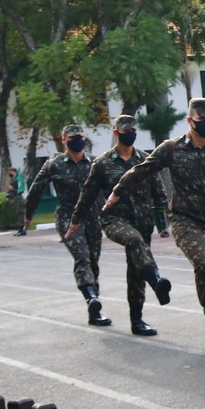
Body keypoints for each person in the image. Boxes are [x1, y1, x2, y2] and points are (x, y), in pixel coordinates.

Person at [104, 98, 205, 354]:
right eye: (202, 121)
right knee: (203, 264)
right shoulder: (172, 149)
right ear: (190, 121)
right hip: (185, 220)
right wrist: (117, 190)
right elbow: (143, 169)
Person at [68, 114, 173, 337]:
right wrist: (76, 220)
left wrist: (162, 223)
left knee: (136, 271)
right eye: (126, 133)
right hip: (114, 220)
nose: (130, 136)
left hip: (142, 221)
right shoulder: (103, 163)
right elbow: (87, 195)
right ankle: (156, 280)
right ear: (116, 133)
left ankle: (137, 320)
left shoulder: (145, 160)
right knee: (134, 241)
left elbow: (159, 193)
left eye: (133, 132)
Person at [25, 126, 110, 326]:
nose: (77, 140)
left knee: (93, 261)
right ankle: (91, 297)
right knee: (82, 257)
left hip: (93, 219)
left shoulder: (95, 163)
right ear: (64, 140)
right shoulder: (54, 165)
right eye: (73, 138)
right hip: (68, 219)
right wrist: (28, 216)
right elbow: (36, 190)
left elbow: (110, 187)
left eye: (80, 137)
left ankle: (94, 310)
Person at [6, 166, 27, 236]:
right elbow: (10, 190)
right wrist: (8, 196)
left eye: (10, 172)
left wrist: (12, 189)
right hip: (15, 198)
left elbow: (18, 190)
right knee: (18, 214)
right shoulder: (13, 179)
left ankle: (23, 230)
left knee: (20, 214)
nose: (9, 173)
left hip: (18, 198)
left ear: (13, 171)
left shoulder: (17, 179)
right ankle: (20, 229)